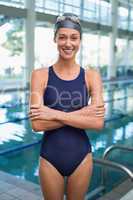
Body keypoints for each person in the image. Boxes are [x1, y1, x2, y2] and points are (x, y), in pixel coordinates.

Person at [29, 13, 105, 200]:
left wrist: (51, 113)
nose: (68, 43)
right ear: (55, 39)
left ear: (80, 40)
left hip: (81, 157)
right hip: (50, 157)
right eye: (62, 37)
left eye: (74, 38)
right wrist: (82, 114)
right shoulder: (40, 75)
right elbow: (37, 125)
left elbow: (97, 123)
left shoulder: (91, 77)